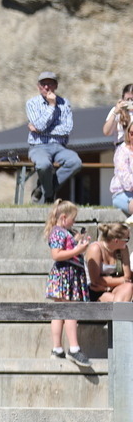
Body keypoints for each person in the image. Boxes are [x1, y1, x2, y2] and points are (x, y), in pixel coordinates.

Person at [44, 200, 92, 367]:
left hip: (68, 274)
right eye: (73, 218)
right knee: (70, 310)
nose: (75, 222)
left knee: (60, 312)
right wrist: (78, 250)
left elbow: (66, 249)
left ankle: (57, 349)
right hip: (66, 274)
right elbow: (56, 255)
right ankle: (73, 348)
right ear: (63, 217)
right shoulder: (58, 233)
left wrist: (77, 241)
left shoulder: (63, 232)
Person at [26, 71, 83, 203]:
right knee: (43, 165)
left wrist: (41, 130)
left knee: (75, 162)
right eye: (43, 84)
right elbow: (39, 125)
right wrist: (51, 106)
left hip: (60, 146)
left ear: (56, 86)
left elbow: (67, 129)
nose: (46, 87)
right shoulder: (32, 103)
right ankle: (50, 194)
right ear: (38, 86)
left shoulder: (65, 103)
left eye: (50, 84)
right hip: (38, 146)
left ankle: (44, 189)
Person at [85, 222, 132, 303]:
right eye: (127, 239)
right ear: (116, 241)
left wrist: (110, 284)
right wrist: (121, 280)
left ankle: (120, 313)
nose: (127, 241)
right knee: (121, 301)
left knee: (129, 287)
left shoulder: (123, 249)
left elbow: (127, 277)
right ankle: (120, 313)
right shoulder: (96, 249)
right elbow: (95, 281)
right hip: (96, 291)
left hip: (114, 288)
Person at [108, 120, 133, 226]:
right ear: (127, 133)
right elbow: (127, 183)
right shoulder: (122, 151)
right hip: (122, 194)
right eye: (132, 133)